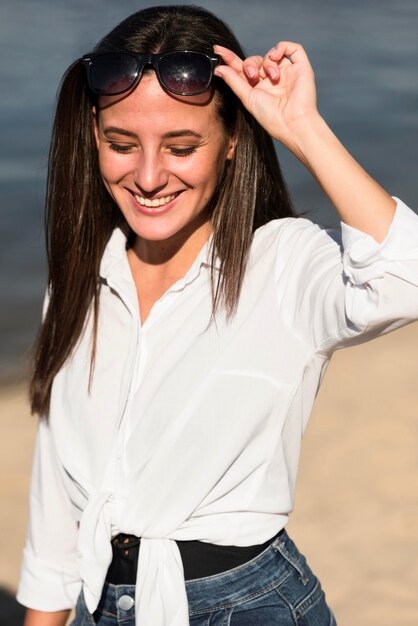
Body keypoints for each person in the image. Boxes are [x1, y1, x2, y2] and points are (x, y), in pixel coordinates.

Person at [17, 4, 418, 626]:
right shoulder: (80, 277)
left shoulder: (281, 263)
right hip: (105, 603)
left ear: (233, 140)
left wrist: (301, 127)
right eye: (121, 143)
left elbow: (404, 279)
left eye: (181, 146)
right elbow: (57, 499)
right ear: (93, 137)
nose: (148, 176)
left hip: (248, 607)